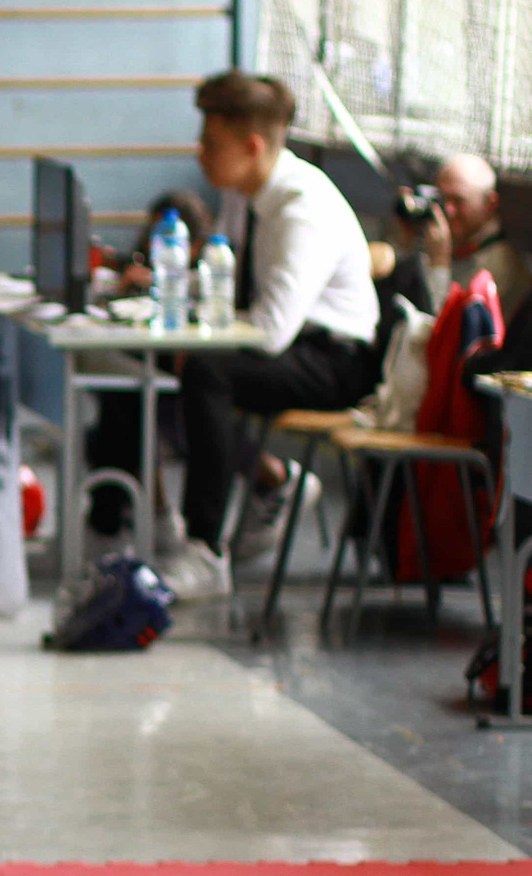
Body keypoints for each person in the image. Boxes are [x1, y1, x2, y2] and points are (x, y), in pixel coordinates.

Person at [157, 73, 378, 597]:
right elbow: (225, 287)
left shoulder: (304, 207)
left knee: (207, 373)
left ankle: (205, 550)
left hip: (337, 361)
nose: (200, 154)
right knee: (159, 360)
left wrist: (195, 341)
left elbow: (271, 330)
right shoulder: (243, 193)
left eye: (211, 144)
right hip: (294, 346)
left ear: (253, 146)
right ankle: (268, 482)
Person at [87, 188, 214, 542]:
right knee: (118, 391)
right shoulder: (145, 261)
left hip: (192, 372)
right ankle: (128, 511)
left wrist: (157, 283)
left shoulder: (210, 270)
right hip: (156, 361)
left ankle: (121, 515)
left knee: (127, 400)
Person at [416, 153, 530, 323]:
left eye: (459, 201)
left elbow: (450, 334)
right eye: (442, 199)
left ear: (490, 203)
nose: (448, 210)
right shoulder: (456, 244)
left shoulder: (500, 267)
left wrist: (439, 264)